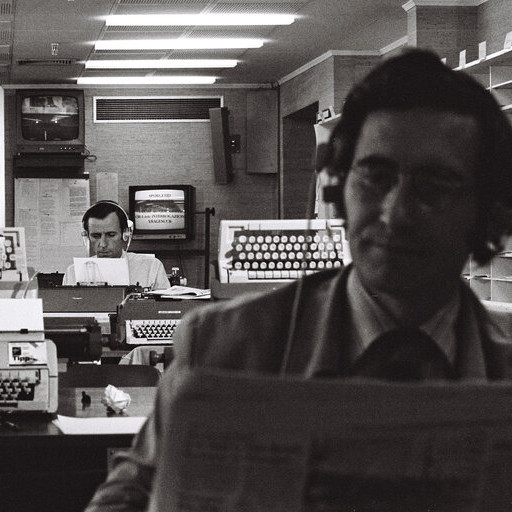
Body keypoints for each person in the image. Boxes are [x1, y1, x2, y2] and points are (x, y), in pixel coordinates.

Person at [84, 48, 512, 511]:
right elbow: (128, 493)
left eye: (434, 186)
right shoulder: (223, 347)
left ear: (490, 214)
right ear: (338, 190)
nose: (395, 214)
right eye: (375, 176)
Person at [62, 200, 171, 290]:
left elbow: (166, 310)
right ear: (87, 236)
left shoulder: (151, 267)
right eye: (96, 236)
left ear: (125, 234)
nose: (103, 244)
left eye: (111, 235)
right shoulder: (73, 273)